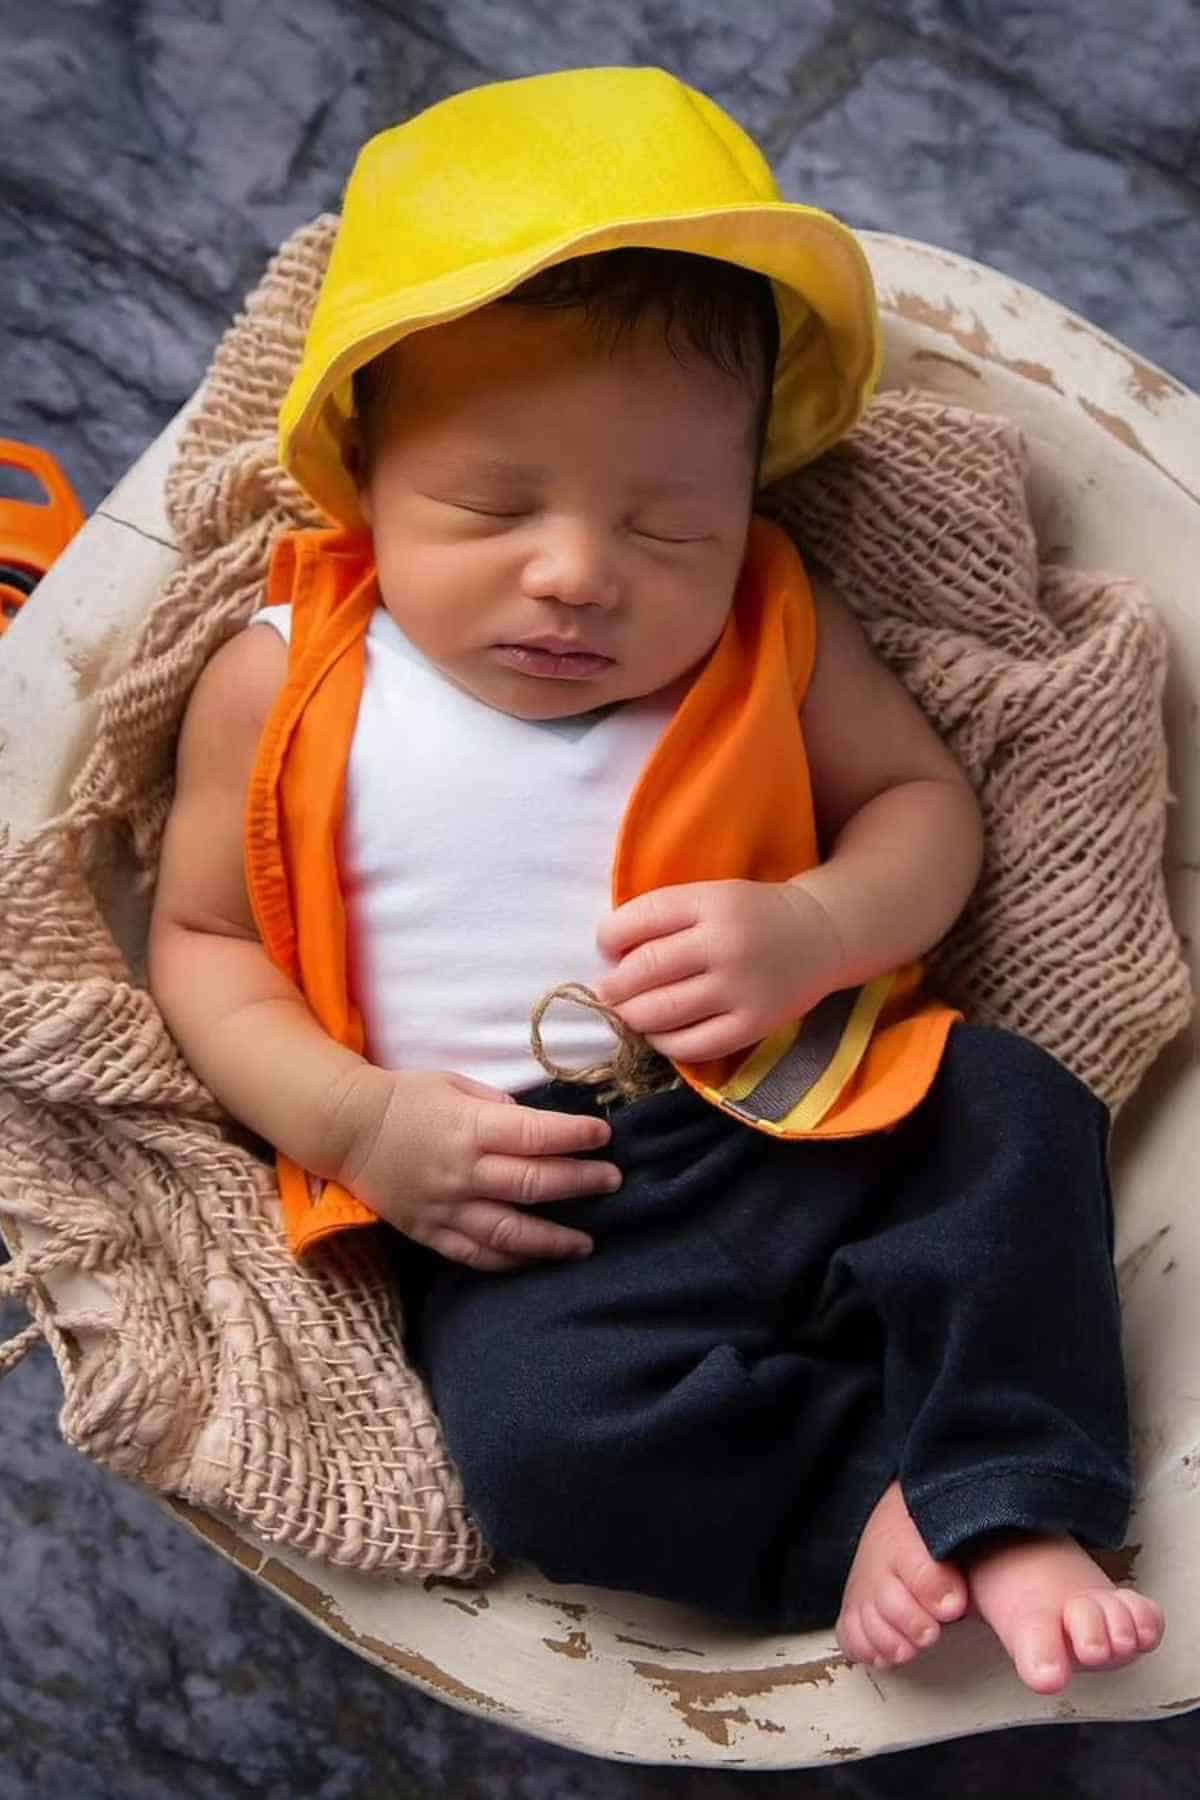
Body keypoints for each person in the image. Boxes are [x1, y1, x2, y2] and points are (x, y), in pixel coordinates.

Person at [147, 66, 1164, 1694]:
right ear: (362, 471)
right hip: (532, 1201)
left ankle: (1014, 1481)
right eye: (491, 504)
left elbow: (926, 806)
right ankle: (877, 1507)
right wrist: (355, 1126)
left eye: (669, 526)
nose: (577, 574)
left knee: (1010, 1107)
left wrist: (817, 926)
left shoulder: (765, 628)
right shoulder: (285, 675)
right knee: (545, 1450)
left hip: (808, 1092)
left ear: (744, 506)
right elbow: (199, 941)